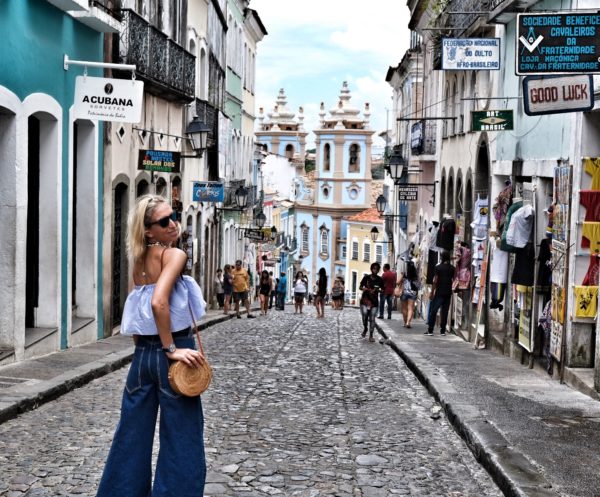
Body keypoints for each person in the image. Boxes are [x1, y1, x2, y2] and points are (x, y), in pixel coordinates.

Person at [97, 194, 207, 496]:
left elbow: (135, 313)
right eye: (164, 221)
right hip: (172, 352)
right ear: (148, 231)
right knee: (182, 438)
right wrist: (171, 349)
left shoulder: (138, 262)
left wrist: (147, 350)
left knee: (131, 437)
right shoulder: (173, 256)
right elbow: (159, 303)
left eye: (175, 215)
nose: (173, 224)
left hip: (143, 356)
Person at [426, 250, 455, 336]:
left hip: (439, 292)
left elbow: (435, 280)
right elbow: (453, 280)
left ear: (441, 257)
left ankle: (430, 329)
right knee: (445, 312)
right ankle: (442, 330)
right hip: (448, 292)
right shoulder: (452, 268)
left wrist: (432, 292)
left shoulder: (438, 268)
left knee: (433, 310)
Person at [359, 263, 384, 342]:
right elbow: (360, 287)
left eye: (377, 269)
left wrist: (378, 290)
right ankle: (365, 328)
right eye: (374, 268)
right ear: (371, 269)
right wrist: (364, 289)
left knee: (372, 318)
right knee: (365, 315)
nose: (375, 270)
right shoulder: (366, 277)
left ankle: (371, 335)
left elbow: (383, 290)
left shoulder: (380, 279)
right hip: (365, 300)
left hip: (374, 301)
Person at [398, 261, 419, 328]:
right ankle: (408, 322)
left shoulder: (404, 274)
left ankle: (405, 322)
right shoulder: (415, 275)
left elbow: (397, 282)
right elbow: (417, 285)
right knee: (410, 308)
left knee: (404, 308)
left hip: (405, 292)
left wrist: (401, 275)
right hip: (413, 293)